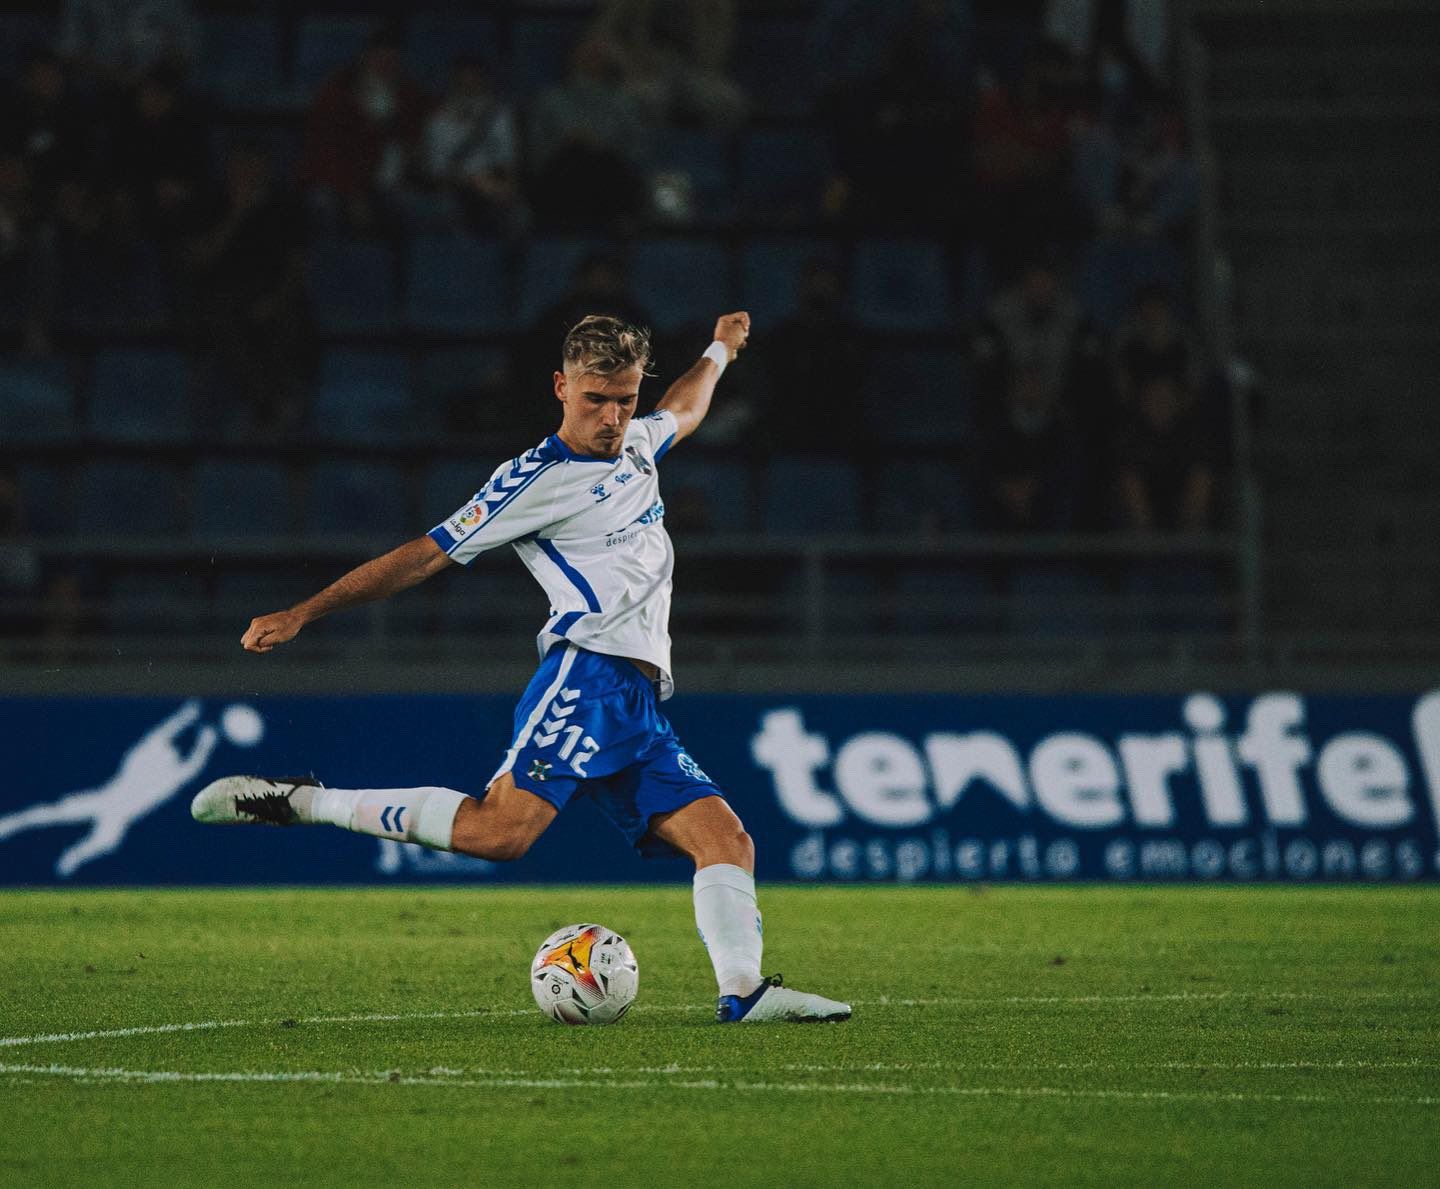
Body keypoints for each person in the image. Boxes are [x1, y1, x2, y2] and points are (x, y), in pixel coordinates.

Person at [191, 312, 850, 1025]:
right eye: (596, 399)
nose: (612, 416)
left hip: (636, 700)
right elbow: (426, 552)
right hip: (587, 677)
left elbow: (683, 410)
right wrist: (305, 612)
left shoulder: (636, 449)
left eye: (625, 399)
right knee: (501, 833)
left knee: (726, 839)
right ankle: (299, 800)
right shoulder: (534, 479)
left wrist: (720, 349)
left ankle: (743, 991)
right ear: (562, 387)